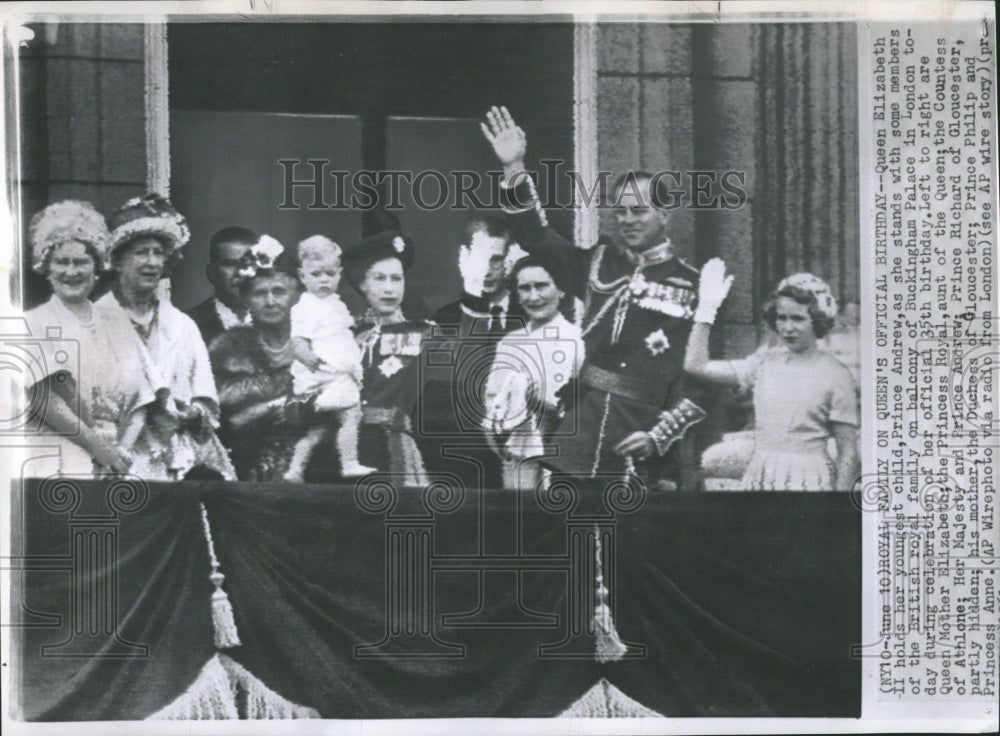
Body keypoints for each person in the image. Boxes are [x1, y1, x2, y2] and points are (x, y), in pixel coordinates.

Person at [481, 105, 708, 489]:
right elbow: (535, 235)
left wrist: (659, 437)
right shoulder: (600, 262)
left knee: (634, 541)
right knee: (569, 536)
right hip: (582, 429)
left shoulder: (694, 284)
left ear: (665, 213)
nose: (628, 220)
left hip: (644, 433)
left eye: (639, 211)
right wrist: (514, 168)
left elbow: (701, 381)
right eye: (621, 211)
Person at [94, 193, 235, 480]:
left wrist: (195, 414)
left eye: (158, 253)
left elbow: (206, 404)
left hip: (175, 465)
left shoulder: (183, 327)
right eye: (141, 252)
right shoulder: (94, 323)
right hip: (115, 462)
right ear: (118, 261)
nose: (151, 262)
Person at [684, 262, 860, 490]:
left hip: (810, 480)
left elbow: (848, 452)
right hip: (761, 476)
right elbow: (695, 365)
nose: (787, 328)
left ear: (816, 320)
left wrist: (838, 509)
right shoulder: (763, 365)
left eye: (797, 319)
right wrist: (707, 310)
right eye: (781, 317)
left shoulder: (835, 374)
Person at [23, 200, 160, 476]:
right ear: (46, 267)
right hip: (58, 456)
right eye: (61, 262)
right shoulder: (33, 323)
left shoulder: (116, 321)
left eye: (81, 261)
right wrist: (101, 451)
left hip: (120, 462)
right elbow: (44, 399)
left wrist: (120, 453)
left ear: (97, 266)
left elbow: (142, 399)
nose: (71, 272)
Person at [421, 216, 528, 489]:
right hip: (459, 466)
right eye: (480, 258)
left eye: (496, 259)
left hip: (518, 460)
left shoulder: (530, 317)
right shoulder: (444, 320)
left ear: (509, 261)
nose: (488, 269)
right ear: (464, 257)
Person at [209, 236, 308, 481]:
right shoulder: (227, 349)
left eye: (279, 291)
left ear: (297, 296)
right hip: (246, 470)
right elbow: (223, 418)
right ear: (245, 299)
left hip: (314, 467)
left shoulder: (320, 343)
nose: (270, 301)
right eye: (260, 293)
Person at [482, 255, 585, 490]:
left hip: (566, 455)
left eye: (541, 286)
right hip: (519, 457)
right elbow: (492, 412)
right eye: (525, 288)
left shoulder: (579, 339)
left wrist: (544, 404)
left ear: (561, 290)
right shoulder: (510, 343)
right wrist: (510, 404)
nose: (533, 296)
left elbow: (588, 407)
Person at [342, 229, 432, 486]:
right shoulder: (347, 336)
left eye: (397, 279)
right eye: (379, 279)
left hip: (394, 446)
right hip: (345, 447)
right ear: (362, 284)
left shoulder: (425, 334)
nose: (390, 289)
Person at [285, 234, 375, 480]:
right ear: (303, 276)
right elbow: (297, 340)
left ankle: (295, 469)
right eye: (316, 274)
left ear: (339, 274)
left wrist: (360, 323)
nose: (324, 279)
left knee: (317, 431)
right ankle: (349, 462)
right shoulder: (305, 307)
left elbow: (339, 329)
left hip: (334, 370)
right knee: (351, 415)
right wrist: (309, 359)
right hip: (327, 374)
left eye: (330, 273)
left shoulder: (335, 303)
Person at [184, 226, 258, 346]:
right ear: (211, 273)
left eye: (248, 264)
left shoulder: (280, 321)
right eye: (230, 264)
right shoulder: (187, 324)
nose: (240, 272)